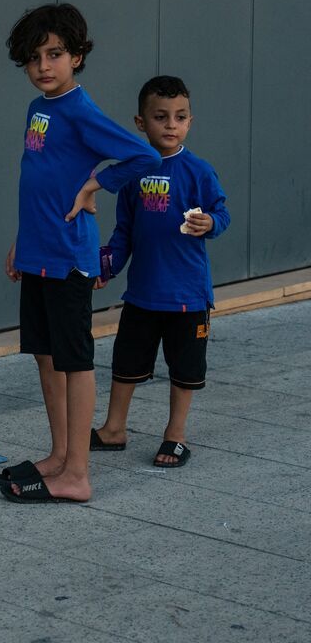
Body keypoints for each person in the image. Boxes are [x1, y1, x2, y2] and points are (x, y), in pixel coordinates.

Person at [0, 3, 161, 503]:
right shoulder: (38, 109)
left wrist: (96, 185)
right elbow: (39, 183)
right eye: (33, 58)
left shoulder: (82, 112)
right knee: (46, 358)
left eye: (55, 54)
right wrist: (21, 243)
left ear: (78, 56)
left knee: (75, 361)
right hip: (38, 254)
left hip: (68, 257)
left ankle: (78, 475)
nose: (43, 66)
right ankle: (59, 455)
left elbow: (144, 155)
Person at [90, 76, 229, 467]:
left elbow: (223, 212)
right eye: (161, 116)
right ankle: (113, 429)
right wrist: (109, 266)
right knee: (125, 363)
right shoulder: (133, 171)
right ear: (140, 122)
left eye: (180, 117)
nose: (171, 124)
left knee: (184, 371)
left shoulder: (199, 171)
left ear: (190, 121)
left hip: (187, 297)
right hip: (142, 296)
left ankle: (175, 435)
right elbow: (124, 232)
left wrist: (211, 223)